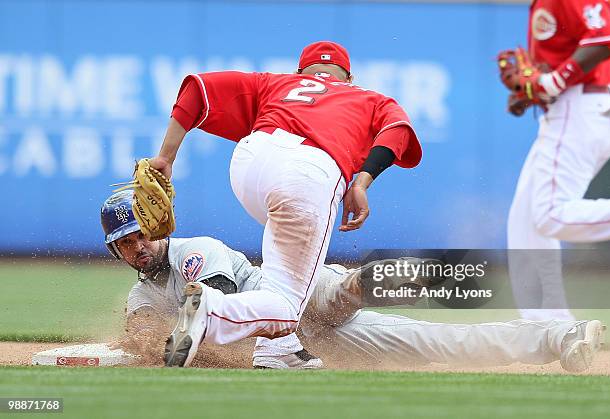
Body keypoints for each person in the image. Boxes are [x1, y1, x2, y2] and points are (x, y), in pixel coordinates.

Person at [102, 191, 605, 373]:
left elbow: (226, 319)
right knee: (438, 343)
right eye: (125, 243)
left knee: (358, 285)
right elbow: (149, 346)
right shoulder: (140, 294)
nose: (137, 246)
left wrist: (175, 350)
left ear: (158, 224)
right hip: (311, 341)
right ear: (116, 251)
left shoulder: (196, 251)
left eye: (141, 233)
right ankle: (558, 338)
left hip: (295, 294)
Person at [144, 41, 423, 367]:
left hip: (250, 162)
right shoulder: (369, 97)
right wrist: (362, 181)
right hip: (308, 172)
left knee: (284, 271)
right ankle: (211, 311)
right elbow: (398, 131)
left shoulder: (276, 82)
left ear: (300, 72)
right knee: (286, 308)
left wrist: (165, 156)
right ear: (349, 77)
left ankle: (279, 351)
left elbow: (196, 89)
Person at [505, 0, 610, 320]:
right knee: (524, 220)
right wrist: (532, 92)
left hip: (578, 109)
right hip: (571, 108)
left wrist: (553, 82)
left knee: (549, 215)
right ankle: (550, 326)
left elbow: (604, 38)